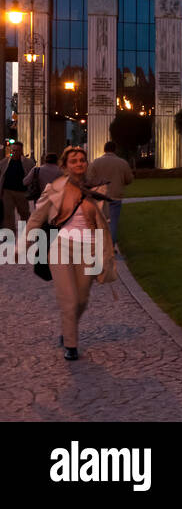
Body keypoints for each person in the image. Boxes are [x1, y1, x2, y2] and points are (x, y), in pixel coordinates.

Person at [27, 146, 118, 361]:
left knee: (82, 299)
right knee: (70, 299)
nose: (78, 164)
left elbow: (102, 221)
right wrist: (26, 241)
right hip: (61, 248)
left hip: (87, 250)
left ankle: (68, 329)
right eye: (74, 161)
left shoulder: (95, 190)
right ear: (65, 166)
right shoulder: (55, 188)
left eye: (82, 160)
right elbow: (37, 215)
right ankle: (71, 344)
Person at [86, 141, 134, 252]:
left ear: (104, 149)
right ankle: (110, 247)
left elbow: (90, 179)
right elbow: (129, 179)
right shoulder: (122, 163)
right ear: (115, 149)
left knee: (99, 222)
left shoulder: (96, 163)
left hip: (100, 196)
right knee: (113, 222)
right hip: (115, 196)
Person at [1, 141, 37, 234]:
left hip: (22, 192)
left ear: (21, 151)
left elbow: (33, 176)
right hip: (7, 191)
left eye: (17, 150)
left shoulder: (28, 162)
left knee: (24, 213)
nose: (14, 152)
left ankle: (26, 232)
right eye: (13, 150)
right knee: (8, 214)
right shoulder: (5, 162)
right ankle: (9, 233)